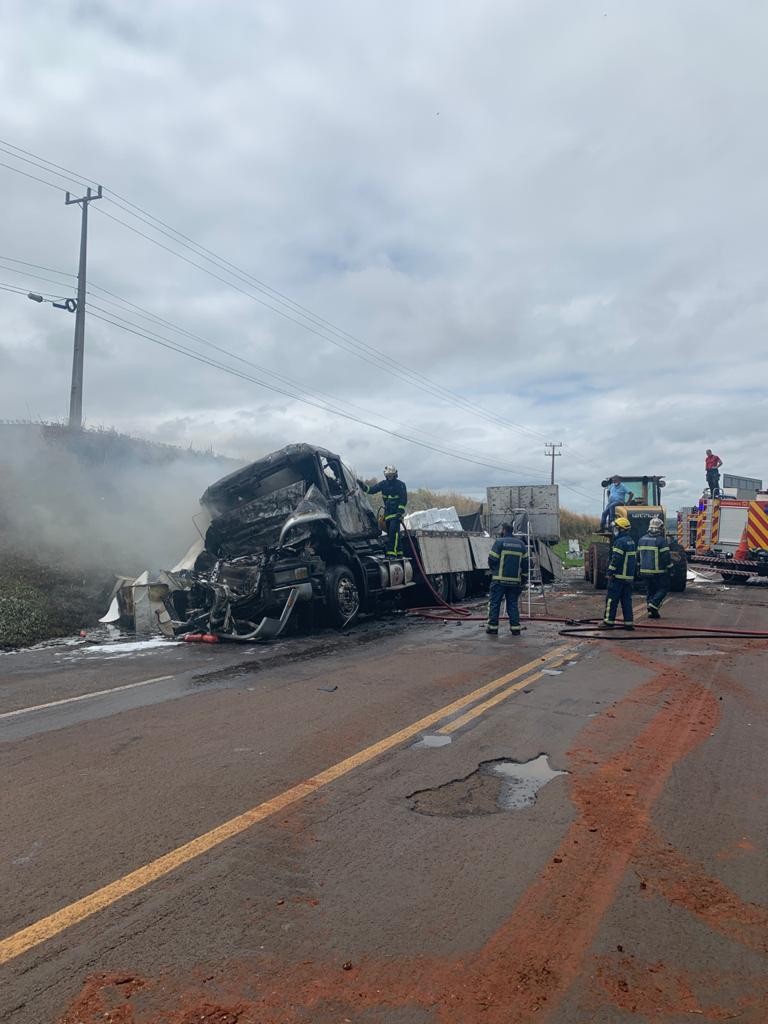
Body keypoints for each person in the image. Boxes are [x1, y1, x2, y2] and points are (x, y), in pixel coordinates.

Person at [486, 523, 529, 636]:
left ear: (504, 530)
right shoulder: (521, 545)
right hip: (515, 582)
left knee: (495, 603)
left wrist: (493, 570)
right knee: (513, 605)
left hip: (499, 581)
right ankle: (515, 629)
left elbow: (492, 559)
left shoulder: (499, 542)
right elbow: (526, 564)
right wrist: (524, 578)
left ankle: (493, 628)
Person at [358, 465, 407, 557]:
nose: (390, 477)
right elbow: (372, 490)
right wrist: (363, 486)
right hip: (387, 515)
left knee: (393, 534)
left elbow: (403, 500)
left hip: (396, 515)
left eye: (391, 475)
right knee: (393, 534)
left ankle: (391, 554)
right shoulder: (383, 484)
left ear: (395, 474)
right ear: (385, 475)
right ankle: (399, 552)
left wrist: (400, 512)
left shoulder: (400, 485)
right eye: (388, 475)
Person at [602, 516, 637, 629]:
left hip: (618, 577)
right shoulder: (631, 541)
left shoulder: (620, 542)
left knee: (612, 600)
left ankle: (608, 622)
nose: (614, 530)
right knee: (626, 601)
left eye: (616, 528)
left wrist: (610, 572)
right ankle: (628, 623)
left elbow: (616, 559)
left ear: (621, 529)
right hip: (628, 578)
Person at [638, 517, 671, 618]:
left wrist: (638, 568)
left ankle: (652, 612)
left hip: (644, 571)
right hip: (658, 572)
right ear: (660, 528)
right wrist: (671, 568)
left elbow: (637, 556)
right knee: (663, 589)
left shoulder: (641, 539)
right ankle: (654, 604)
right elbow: (666, 557)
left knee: (650, 591)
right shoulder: (661, 541)